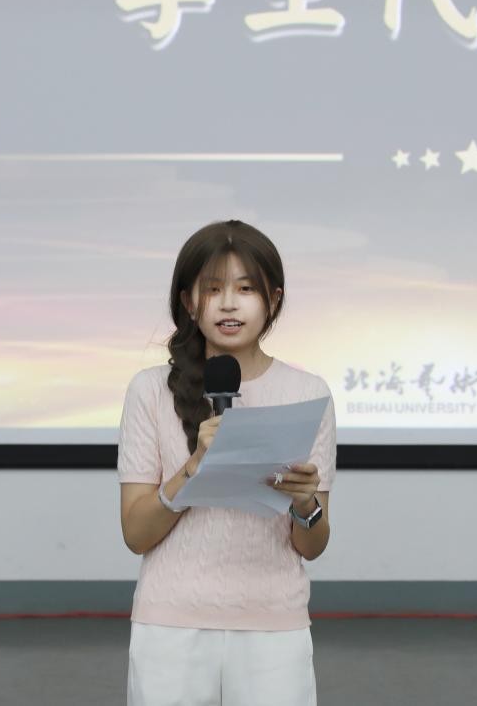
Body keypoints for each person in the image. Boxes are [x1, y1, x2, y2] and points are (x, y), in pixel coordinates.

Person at [117, 219, 336, 705]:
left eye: (246, 289)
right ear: (188, 301)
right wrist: (194, 467)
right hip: (171, 625)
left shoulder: (307, 393)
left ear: (273, 299)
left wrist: (305, 504)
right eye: (212, 289)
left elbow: (313, 545)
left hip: (273, 626)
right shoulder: (149, 391)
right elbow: (135, 534)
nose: (229, 304)